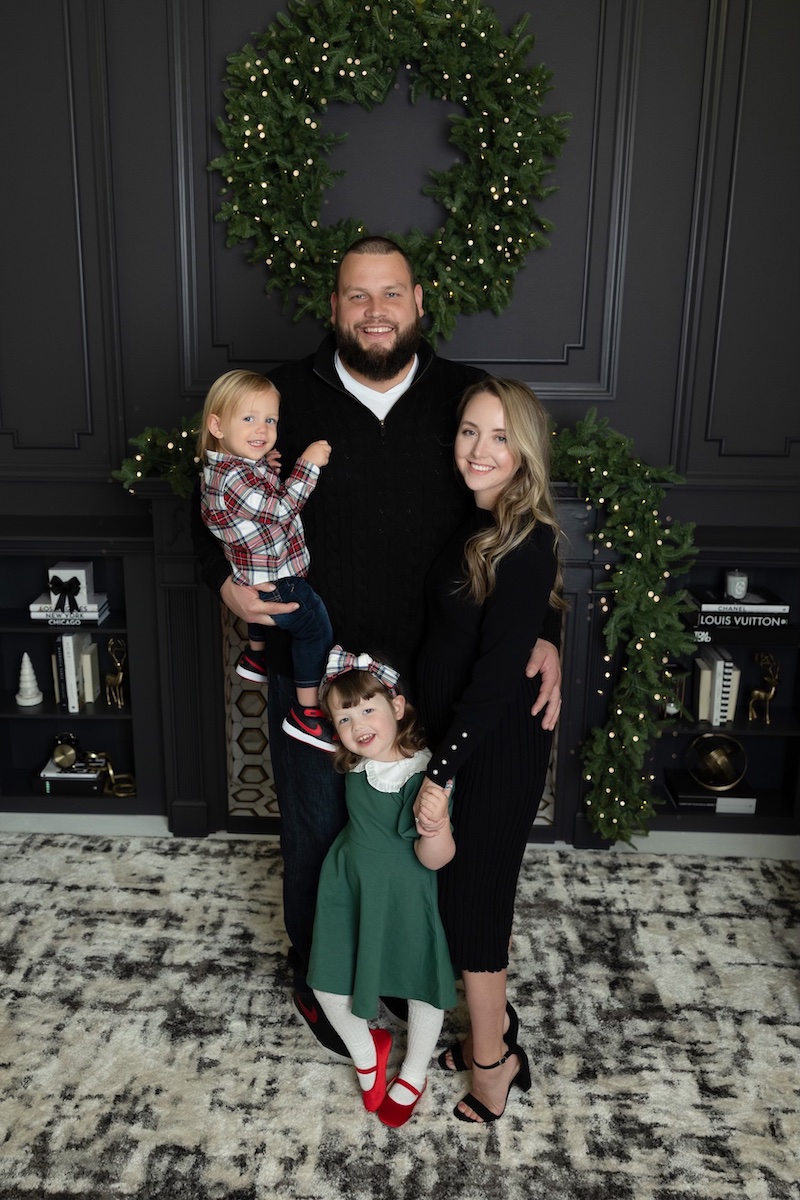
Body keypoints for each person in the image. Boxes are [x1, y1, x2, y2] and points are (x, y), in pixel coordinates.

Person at [192, 236, 563, 1059]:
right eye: (357, 295)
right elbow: (211, 498)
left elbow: (512, 522)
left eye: (390, 293)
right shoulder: (283, 398)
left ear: (419, 300)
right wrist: (218, 581)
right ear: (333, 307)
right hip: (318, 674)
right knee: (320, 835)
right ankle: (319, 972)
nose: (375, 310)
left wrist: (543, 631)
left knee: (413, 840)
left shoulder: (467, 399)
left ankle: (405, 968)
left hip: (433, 676)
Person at [413, 377, 566, 1124]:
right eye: (470, 431)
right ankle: (494, 1029)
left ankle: (492, 1067)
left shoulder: (526, 541)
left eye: (500, 437)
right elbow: (507, 629)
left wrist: (440, 775)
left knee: (474, 907)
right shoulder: (479, 523)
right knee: (469, 900)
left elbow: (499, 673)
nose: (479, 449)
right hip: (464, 740)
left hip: (491, 751)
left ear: (526, 452)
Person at [306, 646, 456, 1128]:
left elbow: (438, 858)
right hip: (347, 886)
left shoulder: (426, 776)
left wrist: (437, 828)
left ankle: (414, 1072)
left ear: (397, 707)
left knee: (420, 985)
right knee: (326, 982)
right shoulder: (354, 762)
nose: (358, 725)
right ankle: (367, 1048)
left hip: (405, 892)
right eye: (345, 718)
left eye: (368, 709)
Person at [198, 369, 335, 750]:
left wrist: (265, 466)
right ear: (217, 425)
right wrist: (307, 465)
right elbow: (279, 511)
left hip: (252, 573)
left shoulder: (230, 467)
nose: (262, 429)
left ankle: (256, 656)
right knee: (314, 630)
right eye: (249, 419)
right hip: (278, 579)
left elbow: (252, 494)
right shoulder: (235, 479)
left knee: (271, 612)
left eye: (270, 420)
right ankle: (307, 714)